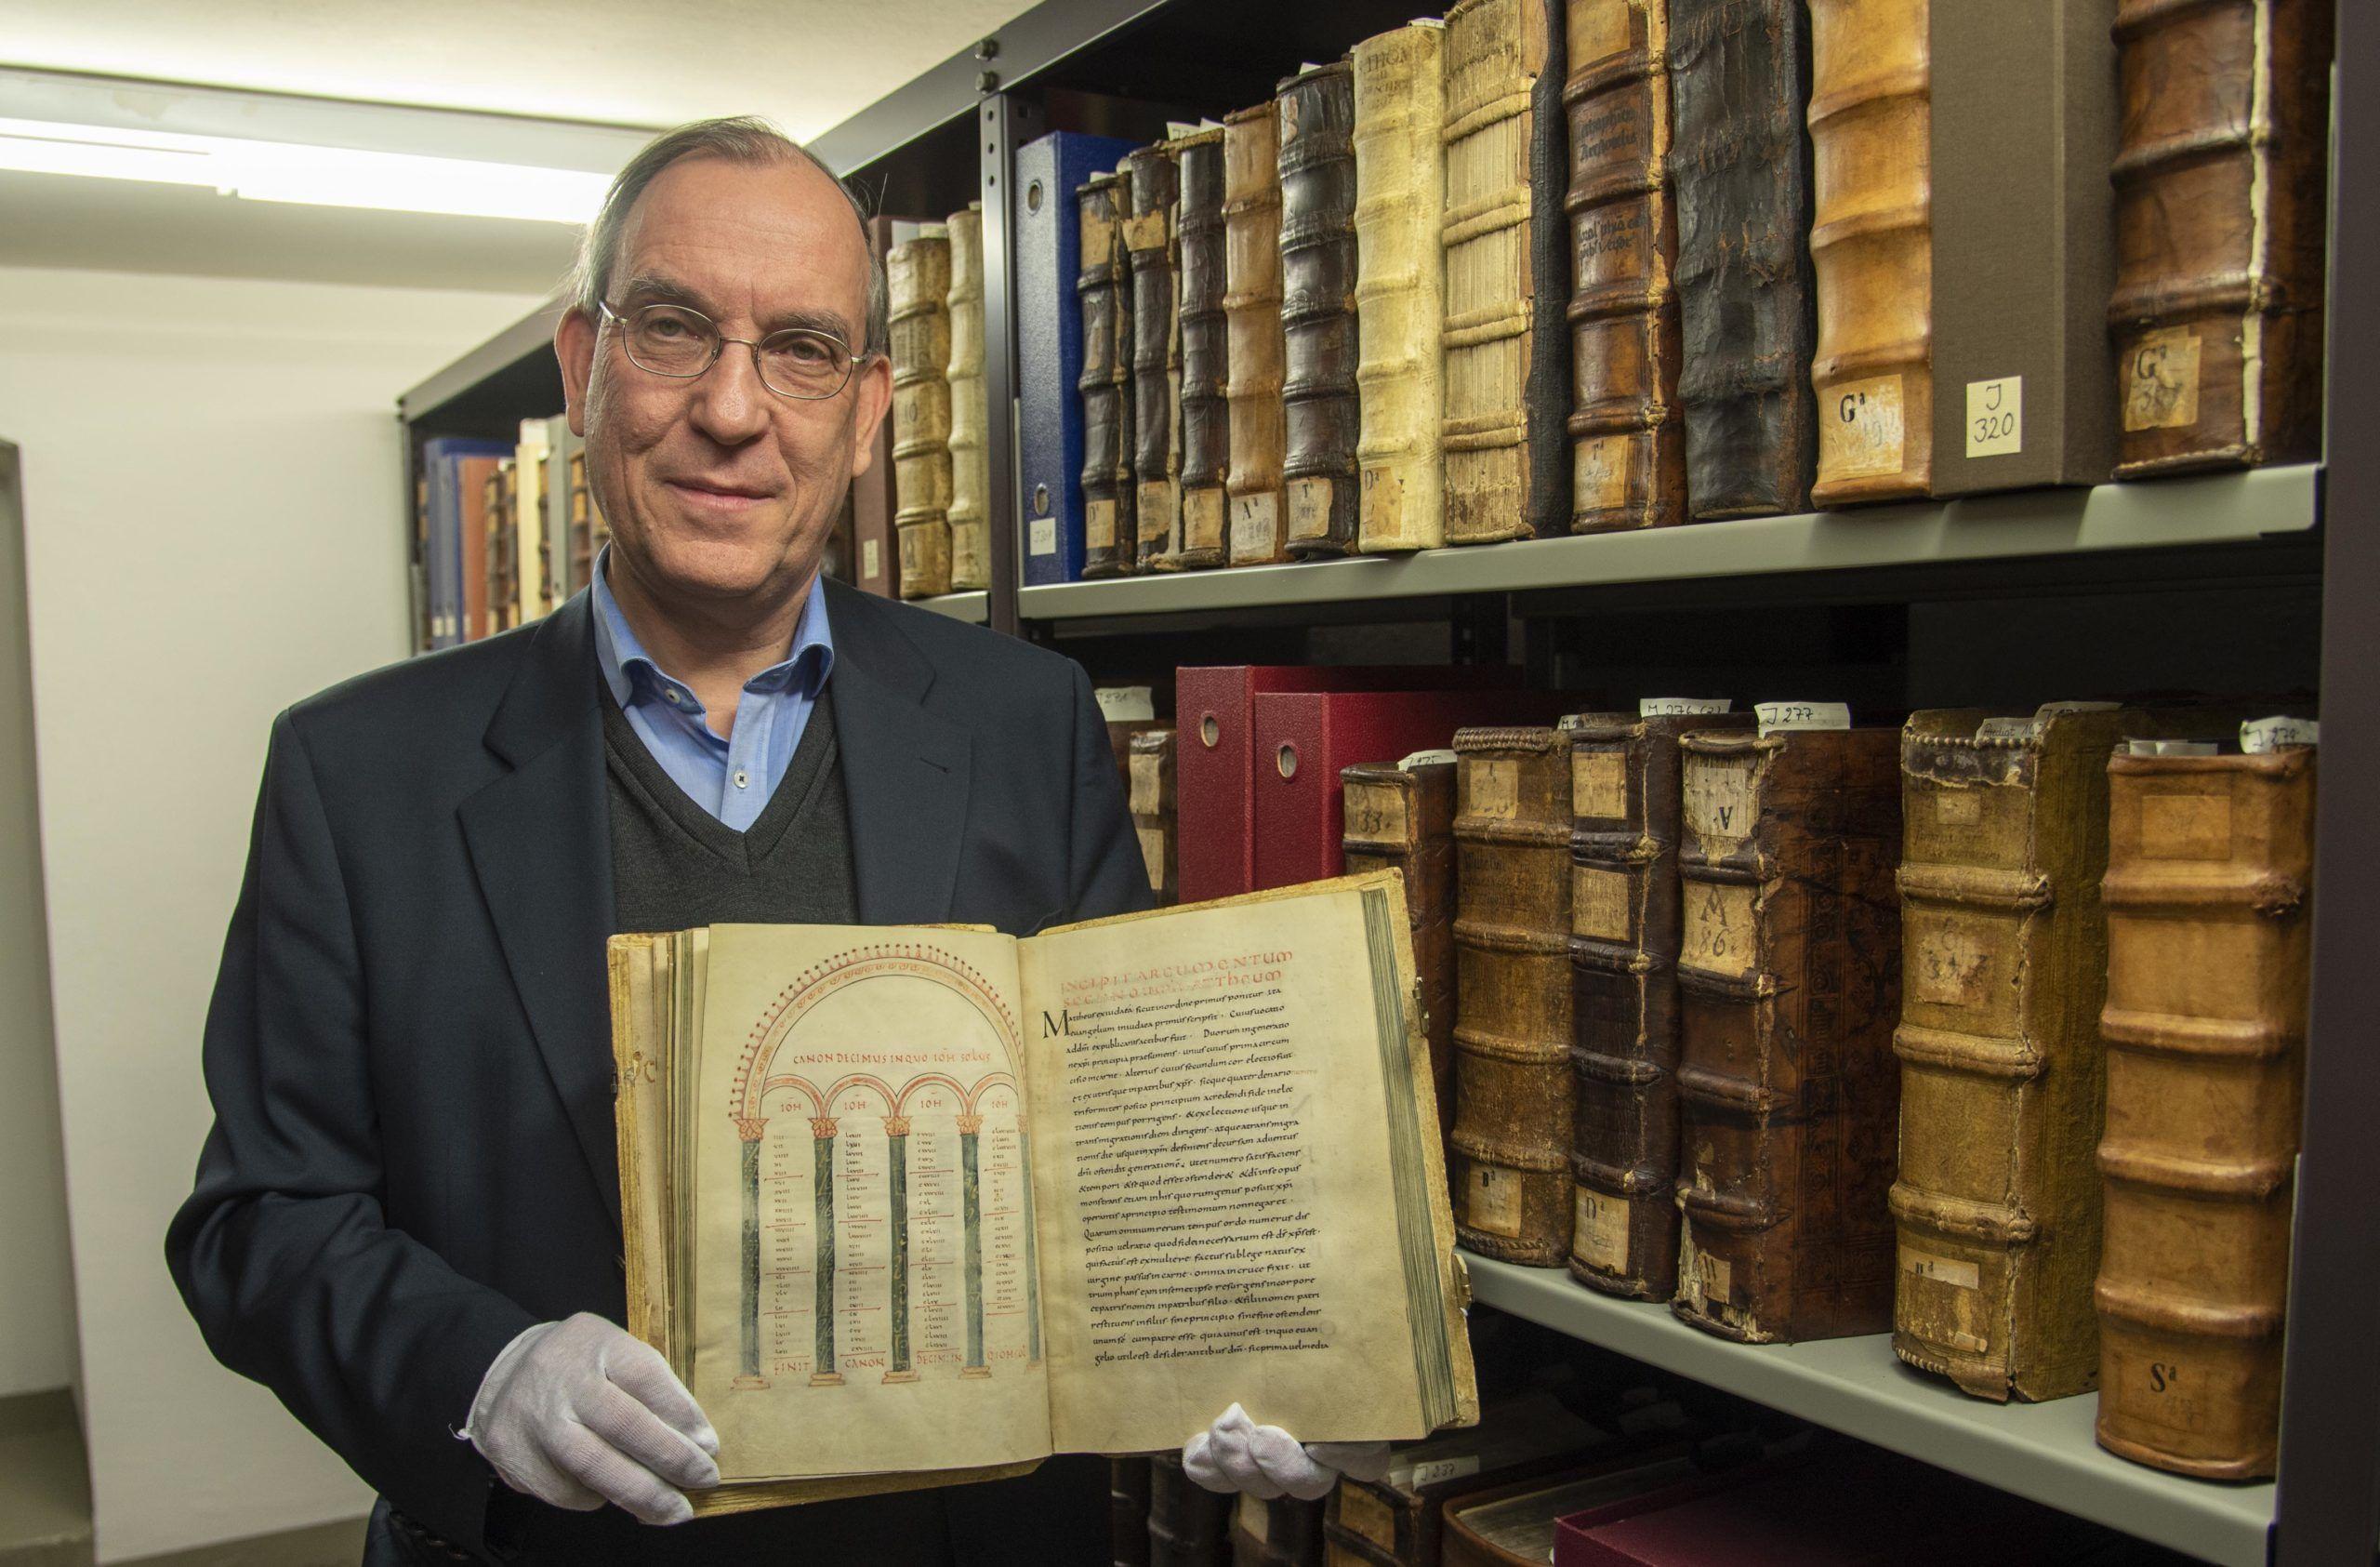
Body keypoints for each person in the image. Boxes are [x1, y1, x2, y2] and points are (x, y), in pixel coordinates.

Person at [165, 118, 1381, 1566]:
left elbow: (1117, 1141)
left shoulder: (1026, 721)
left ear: (867, 414)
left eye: (800, 348)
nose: (733, 409)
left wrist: (1252, 1341)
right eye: (675, 328)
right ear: (583, 365)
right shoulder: (357, 773)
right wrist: (483, 1374)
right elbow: (260, 1219)